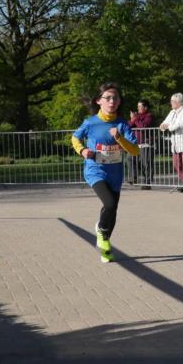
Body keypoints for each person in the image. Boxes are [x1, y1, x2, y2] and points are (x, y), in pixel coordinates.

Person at [71, 82, 139, 263]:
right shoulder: (90, 122)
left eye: (115, 98)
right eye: (108, 97)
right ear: (99, 101)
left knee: (112, 210)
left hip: (115, 174)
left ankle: (105, 246)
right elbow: (75, 137)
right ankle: (101, 231)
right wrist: (83, 150)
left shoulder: (122, 124)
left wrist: (119, 137)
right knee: (108, 204)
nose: (112, 101)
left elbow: (134, 151)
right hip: (95, 171)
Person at [159, 93, 183, 192]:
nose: (171, 103)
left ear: (178, 102)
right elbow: (164, 123)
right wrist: (164, 126)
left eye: (172, 101)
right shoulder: (172, 112)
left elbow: (181, 124)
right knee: (176, 164)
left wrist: (169, 126)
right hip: (175, 143)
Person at [128, 99, 154, 189]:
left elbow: (143, 126)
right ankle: (133, 178)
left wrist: (135, 119)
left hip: (145, 144)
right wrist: (132, 119)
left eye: (140, 106)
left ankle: (147, 183)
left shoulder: (149, 115)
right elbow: (129, 126)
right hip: (135, 144)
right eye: (137, 106)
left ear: (145, 107)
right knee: (130, 158)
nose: (138, 108)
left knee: (145, 164)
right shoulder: (136, 116)